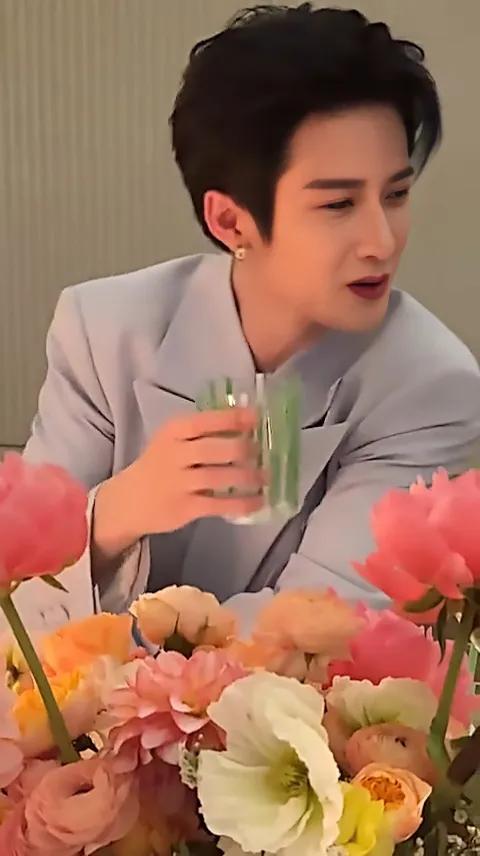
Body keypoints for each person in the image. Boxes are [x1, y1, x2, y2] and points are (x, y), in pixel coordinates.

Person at [16, 3, 480, 633]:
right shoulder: (104, 331)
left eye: (395, 194)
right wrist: (123, 508)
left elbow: (316, 628)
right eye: (339, 204)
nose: (382, 240)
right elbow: (19, 591)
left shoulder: (428, 384)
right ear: (231, 221)